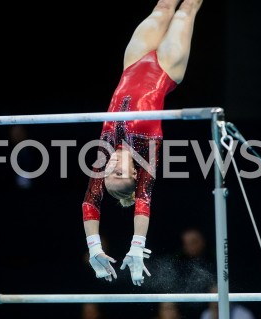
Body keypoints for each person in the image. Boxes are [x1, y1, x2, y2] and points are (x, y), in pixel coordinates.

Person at [82, 0, 203, 286]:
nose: (110, 167)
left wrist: (94, 247)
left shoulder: (105, 149)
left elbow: (91, 200)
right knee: (187, 10)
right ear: (137, 174)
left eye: (107, 174)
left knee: (163, 7)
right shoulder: (148, 151)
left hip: (132, 63)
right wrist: (137, 245)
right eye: (119, 173)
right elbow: (143, 200)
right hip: (165, 69)